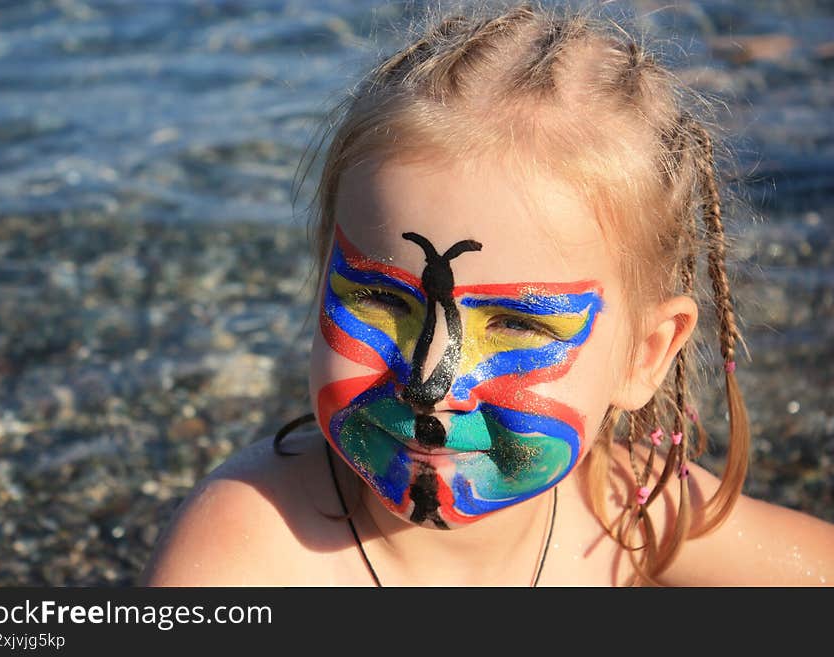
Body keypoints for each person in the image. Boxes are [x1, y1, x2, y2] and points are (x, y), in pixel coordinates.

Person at [140, 2, 834, 586]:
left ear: (644, 355)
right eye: (382, 301)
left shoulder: (626, 510)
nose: (431, 384)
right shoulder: (250, 549)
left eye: (515, 324)